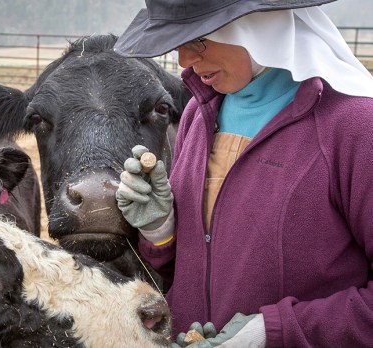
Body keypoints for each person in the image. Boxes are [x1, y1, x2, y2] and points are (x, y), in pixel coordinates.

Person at [113, 0, 373, 347]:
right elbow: (197, 269)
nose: (184, 61)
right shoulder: (198, 113)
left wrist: (274, 333)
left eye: (198, 39)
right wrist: (160, 231)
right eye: (179, 42)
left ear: (260, 26)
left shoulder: (354, 127)